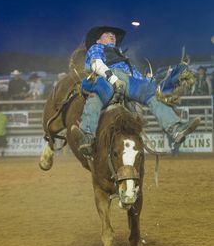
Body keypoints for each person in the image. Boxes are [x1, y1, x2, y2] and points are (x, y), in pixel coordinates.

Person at [71, 25, 201, 156]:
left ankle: (175, 128)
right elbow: (96, 64)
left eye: (113, 35)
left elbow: (145, 82)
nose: (112, 36)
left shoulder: (123, 59)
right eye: (107, 34)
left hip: (127, 80)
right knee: (95, 97)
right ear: (98, 40)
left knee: (150, 92)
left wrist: (171, 78)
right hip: (105, 79)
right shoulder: (97, 47)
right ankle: (87, 136)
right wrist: (114, 79)